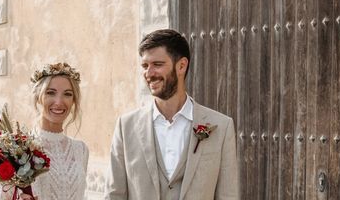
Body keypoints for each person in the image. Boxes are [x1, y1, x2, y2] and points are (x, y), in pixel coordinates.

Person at [105, 29, 238, 199]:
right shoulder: (126, 126)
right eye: (145, 66)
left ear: (181, 65)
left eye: (157, 65)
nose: (149, 73)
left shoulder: (221, 126)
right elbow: (114, 195)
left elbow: (228, 195)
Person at [16, 62, 89, 200]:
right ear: (38, 96)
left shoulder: (81, 150)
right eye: (50, 93)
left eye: (67, 94)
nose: (59, 102)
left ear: (74, 100)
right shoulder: (19, 149)